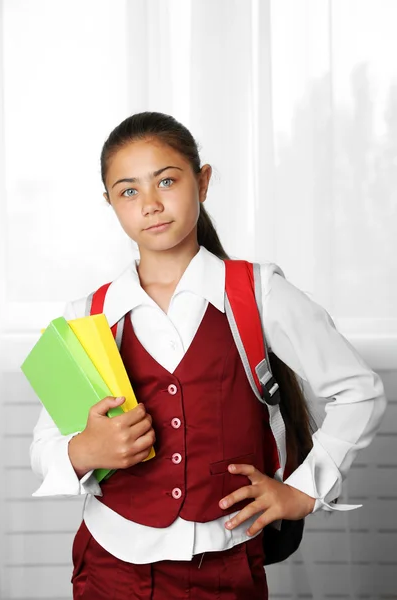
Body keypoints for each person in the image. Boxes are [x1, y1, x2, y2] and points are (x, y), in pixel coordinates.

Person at [30, 111, 387, 600]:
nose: (151, 205)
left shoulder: (258, 294)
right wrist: (84, 451)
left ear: (202, 182)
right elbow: (44, 445)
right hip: (109, 565)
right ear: (111, 203)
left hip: (226, 566)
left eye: (167, 181)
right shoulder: (88, 317)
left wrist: (305, 489)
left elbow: (358, 391)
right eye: (129, 191)